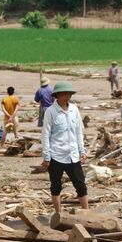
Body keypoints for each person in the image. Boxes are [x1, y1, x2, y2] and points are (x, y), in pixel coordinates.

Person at [41, 81, 88, 213]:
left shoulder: (74, 109)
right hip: (56, 155)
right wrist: (46, 157)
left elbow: (78, 131)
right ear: (57, 95)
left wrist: (82, 150)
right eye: (65, 94)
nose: (68, 96)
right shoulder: (50, 112)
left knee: (81, 185)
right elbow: (45, 135)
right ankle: (58, 214)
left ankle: (86, 212)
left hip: (72, 155)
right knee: (56, 186)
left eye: (69, 94)